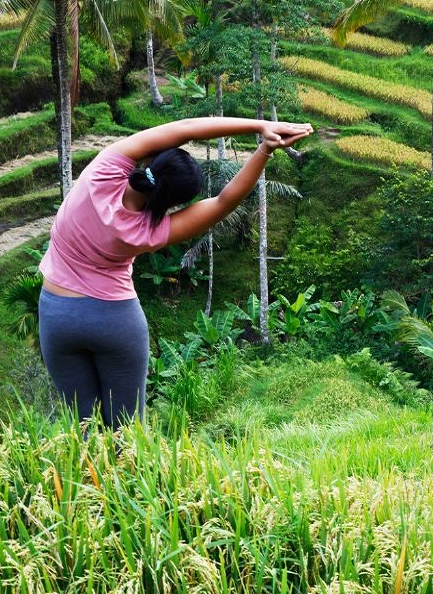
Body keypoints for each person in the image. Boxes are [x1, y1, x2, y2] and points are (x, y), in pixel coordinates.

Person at [37, 117, 313, 429]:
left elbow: (183, 129)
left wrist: (259, 125)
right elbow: (224, 202)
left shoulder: (102, 172)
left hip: (56, 315)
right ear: (177, 202)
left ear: (153, 159)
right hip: (115, 321)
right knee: (127, 434)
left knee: (82, 429)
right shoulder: (148, 231)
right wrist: (264, 150)